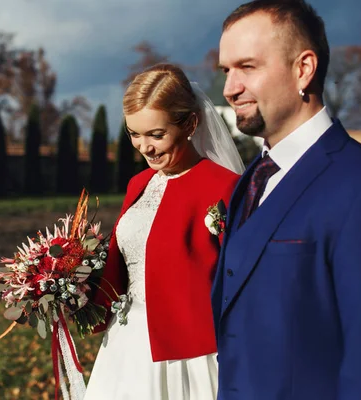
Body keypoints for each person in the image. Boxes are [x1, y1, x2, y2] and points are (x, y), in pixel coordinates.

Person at [212, 1, 361, 399]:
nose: (229, 88)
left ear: (304, 69)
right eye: (226, 71)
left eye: (248, 67)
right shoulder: (250, 183)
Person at [84, 63, 244, 399]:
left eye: (157, 134)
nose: (145, 147)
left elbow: (242, 281)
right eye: (134, 134)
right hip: (125, 344)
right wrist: (75, 288)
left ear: (190, 124)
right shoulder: (138, 184)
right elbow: (123, 263)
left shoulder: (225, 187)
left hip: (192, 351)